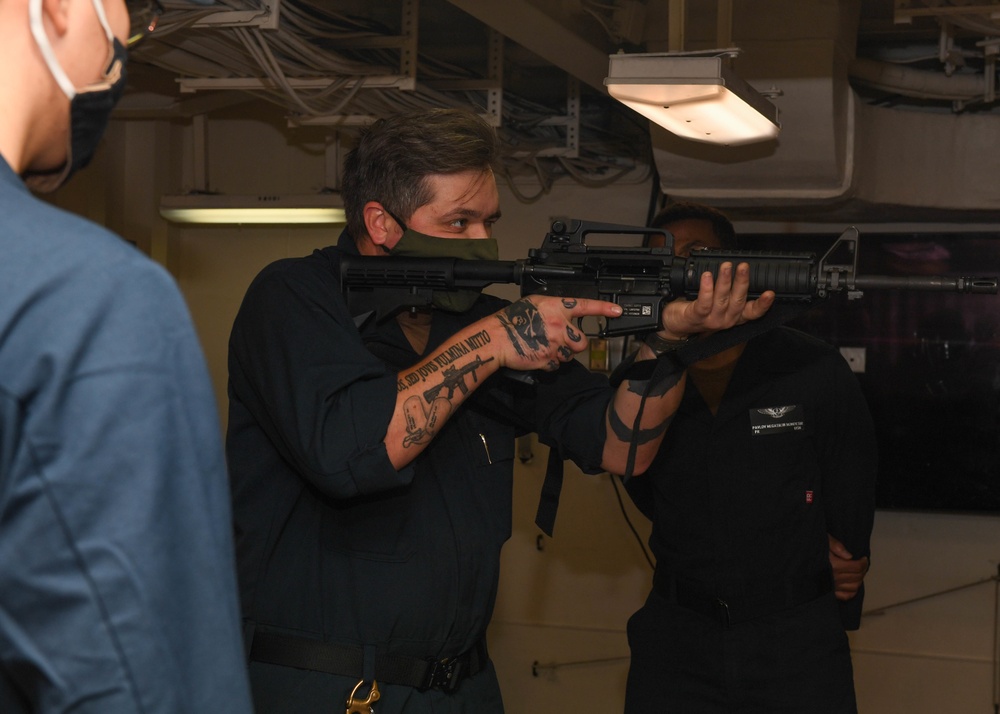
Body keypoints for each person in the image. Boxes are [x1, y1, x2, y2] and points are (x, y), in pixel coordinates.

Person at [226, 109, 775, 713]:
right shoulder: (295, 300)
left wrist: (669, 342)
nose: (480, 242)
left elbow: (621, 447)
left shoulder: (475, 320)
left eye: (487, 222)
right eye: (457, 221)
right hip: (328, 689)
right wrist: (491, 342)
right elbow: (352, 451)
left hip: (462, 687)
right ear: (381, 223)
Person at [0, 0, 253, 712]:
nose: (124, 50)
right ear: (57, 8)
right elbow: (147, 682)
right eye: (126, 20)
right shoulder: (85, 299)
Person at [623, 202, 878, 713]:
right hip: (677, 640)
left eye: (695, 255)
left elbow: (851, 482)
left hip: (795, 641)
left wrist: (845, 558)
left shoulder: (810, 367)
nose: (680, 269)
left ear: (734, 264)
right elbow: (637, 475)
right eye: (663, 258)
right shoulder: (644, 375)